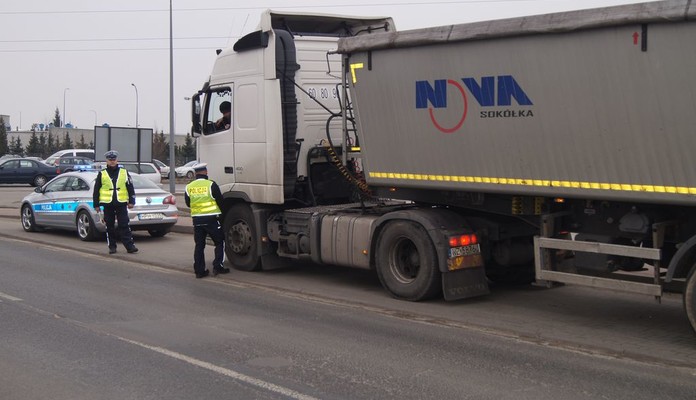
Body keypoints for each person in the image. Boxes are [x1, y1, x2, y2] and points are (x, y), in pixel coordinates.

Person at [185, 163, 230, 278]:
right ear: (205, 172)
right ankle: (217, 266)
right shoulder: (211, 185)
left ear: (195, 173)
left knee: (199, 245)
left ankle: (200, 271)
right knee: (220, 242)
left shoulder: (189, 186)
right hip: (212, 220)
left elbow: (188, 203)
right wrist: (222, 216)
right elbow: (220, 201)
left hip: (197, 221)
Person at [92, 150, 138, 254]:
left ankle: (130, 246)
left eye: (114, 159)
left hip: (121, 203)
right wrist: (96, 204)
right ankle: (112, 247)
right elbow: (96, 190)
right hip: (108, 204)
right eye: (110, 160)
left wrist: (132, 201)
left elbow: (130, 187)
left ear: (117, 160)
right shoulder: (102, 173)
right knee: (110, 226)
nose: (112, 161)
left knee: (124, 225)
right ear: (107, 161)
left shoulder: (124, 172)